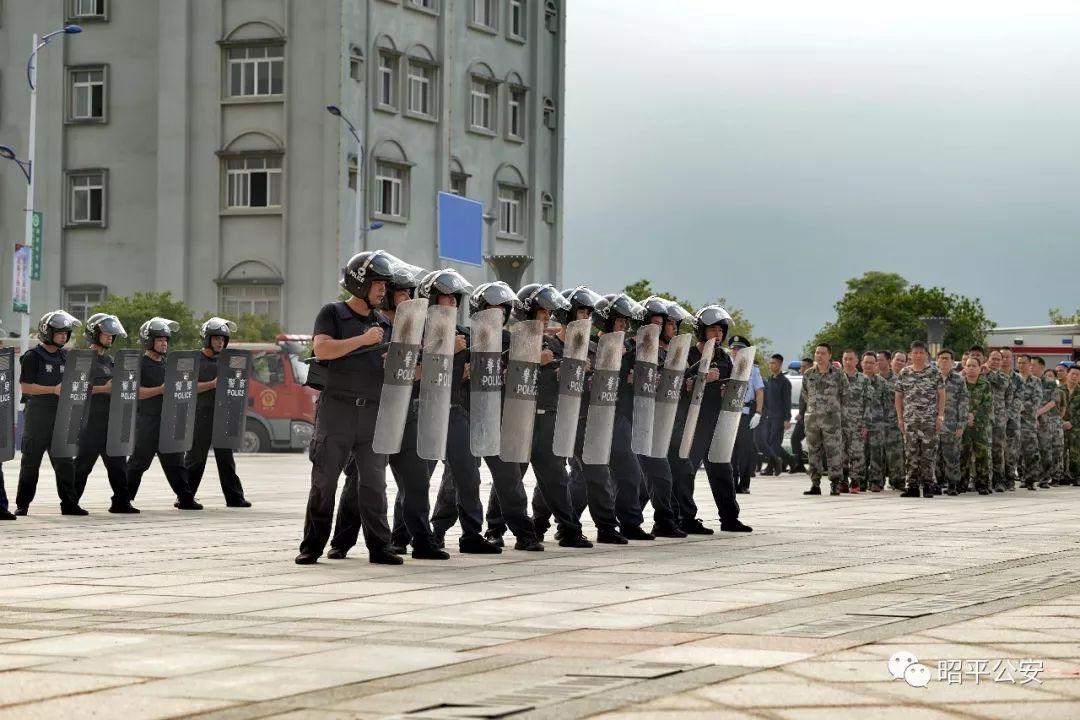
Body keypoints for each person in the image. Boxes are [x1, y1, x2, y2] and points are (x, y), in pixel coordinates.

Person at [328, 264, 454, 561]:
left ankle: (422, 541)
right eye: (402, 292)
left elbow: (416, 373)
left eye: (410, 291)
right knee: (359, 482)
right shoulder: (375, 328)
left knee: (416, 480)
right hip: (375, 414)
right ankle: (341, 541)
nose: (408, 296)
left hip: (406, 412)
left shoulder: (416, 330)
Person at [295, 250, 402, 565]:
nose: (383, 290)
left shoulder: (384, 323)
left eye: (385, 283)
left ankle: (380, 547)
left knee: (373, 484)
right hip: (337, 411)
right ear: (361, 284)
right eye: (378, 283)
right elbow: (323, 349)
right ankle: (312, 546)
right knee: (324, 481)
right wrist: (364, 340)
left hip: (371, 413)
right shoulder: (333, 313)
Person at [485, 282, 594, 548]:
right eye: (542, 313)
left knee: (556, 477)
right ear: (527, 312)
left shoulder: (550, 343)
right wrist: (534, 358)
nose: (547, 319)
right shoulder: (511, 342)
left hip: (546, 419)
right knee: (510, 478)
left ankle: (570, 530)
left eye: (548, 314)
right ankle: (494, 529)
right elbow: (500, 373)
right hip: (517, 418)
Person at [668, 305, 751, 532]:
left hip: (715, 421)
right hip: (691, 422)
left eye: (721, 330)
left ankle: (729, 518)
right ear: (701, 330)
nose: (718, 334)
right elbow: (679, 385)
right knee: (685, 472)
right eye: (713, 329)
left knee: (723, 471)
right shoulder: (688, 354)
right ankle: (684, 518)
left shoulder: (724, 357)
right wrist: (704, 378)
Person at [125, 317, 202, 510]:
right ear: (148, 340)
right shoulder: (139, 364)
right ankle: (122, 499)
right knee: (139, 462)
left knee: (176, 462)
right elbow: (135, 393)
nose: (164, 343)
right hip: (147, 420)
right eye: (160, 339)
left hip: (169, 419)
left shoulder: (169, 364)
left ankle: (185, 498)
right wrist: (159, 390)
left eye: (166, 340)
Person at [14, 311, 84, 516]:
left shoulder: (66, 356)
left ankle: (69, 504)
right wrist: (52, 390)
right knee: (30, 462)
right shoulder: (32, 357)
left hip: (61, 415)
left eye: (66, 333)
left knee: (64, 461)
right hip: (37, 416)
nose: (64, 336)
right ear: (47, 332)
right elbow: (26, 387)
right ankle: (23, 505)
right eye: (60, 332)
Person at [73, 313, 138, 514]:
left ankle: (121, 502)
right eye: (106, 333)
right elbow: (75, 388)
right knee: (83, 465)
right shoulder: (83, 359)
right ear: (95, 334)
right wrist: (104, 389)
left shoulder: (111, 360)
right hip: (90, 422)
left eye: (112, 334)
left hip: (112, 420)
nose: (110, 337)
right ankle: (70, 502)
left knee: (118, 464)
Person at [183, 317, 251, 508]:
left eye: (223, 339)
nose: (220, 342)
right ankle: (185, 497)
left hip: (223, 415)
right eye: (216, 338)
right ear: (206, 339)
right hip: (200, 414)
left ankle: (235, 498)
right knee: (195, 458)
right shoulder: (193, 360)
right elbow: (186, 387)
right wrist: (212, 384)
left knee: (226, 458)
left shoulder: (227, 360)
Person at [895, 341, 944, 498]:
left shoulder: (934, 373)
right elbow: (898, 396)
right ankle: (913, 486)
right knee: (911, 453)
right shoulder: (904, 373)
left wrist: (940, 416)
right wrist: (900, 418)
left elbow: (942, 395)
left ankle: (928, 484)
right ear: (910, 354)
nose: (917, 355)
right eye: (914, 352)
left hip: (929, 420)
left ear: (926, 354)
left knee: (928, 453)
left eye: (921, 352)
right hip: (910, 420)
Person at [802, 343, 846, 496]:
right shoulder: (808, 374)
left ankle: (835, 484)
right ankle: (815, 484)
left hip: (832, 422)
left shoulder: (838, 374)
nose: (819, 355)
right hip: (813, 421)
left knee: (834, 453)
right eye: (817, 353)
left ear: (829, 355)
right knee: (813, 453)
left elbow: (845, 395)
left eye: (822, 353)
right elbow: (805, 394)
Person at [729, 336, 763, 493]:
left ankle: (744, 483)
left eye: (739, 349)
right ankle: (732, 482)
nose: (735, 352)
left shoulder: (753, 369)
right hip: (728, 413)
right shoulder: (726, 365)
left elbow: (759, 391)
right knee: (730, 451)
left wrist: (758, 412)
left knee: (745, 450)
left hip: (746, 413)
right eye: (733, 349)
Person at [935, 349, 969, 495]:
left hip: (951, 424)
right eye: (942, 358)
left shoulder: (959, 380)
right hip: (933, 424)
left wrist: (961, 424)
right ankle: (936, 483)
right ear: (937, 361)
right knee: (934, 456)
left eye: (947, 358)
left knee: (952, 455)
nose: (944, 361)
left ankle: (952, 484)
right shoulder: (931, 377)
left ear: (953, 362)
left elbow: (964, 402)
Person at [961, 357, 993, 494]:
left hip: (980, 425)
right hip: (963, 425)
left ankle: (983, 484)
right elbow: (956, 402)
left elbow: (987, 405)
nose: (971, 368)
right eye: (969, 365)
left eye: (974, 366)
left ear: (980, 368)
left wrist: (973, 415)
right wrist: (965, 416)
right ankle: (961, 483)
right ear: (965, 367)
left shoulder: (985, 384)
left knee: (982, 454)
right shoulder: (959, 383)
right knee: (963, 454)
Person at [839, 348, 869, 493]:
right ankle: (843, 481)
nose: (848, 362)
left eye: (851, 359)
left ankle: (855, 481)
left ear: (857, 361)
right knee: (841, 453)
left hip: (857, 423)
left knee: (857, 453)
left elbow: (868, 403)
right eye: (845, 359)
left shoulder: (864, 380)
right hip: (840, 423)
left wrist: (865, 424)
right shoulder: (837, 378)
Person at [877, 350, 906, 490]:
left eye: (903, 360)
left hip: (894, 423)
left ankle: (898, 481)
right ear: (891, 361)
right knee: (877, 455)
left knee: (896, 454)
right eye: (897, 360)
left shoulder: (901, 381)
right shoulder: (872, 380)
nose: (899, 362)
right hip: (876, 423)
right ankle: (877, 482)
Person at [1033, 358, 1064, 487]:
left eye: (1033, 365)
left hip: (1047, 421)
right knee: (1029, 449)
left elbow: (1054, 402)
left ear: (1042, 367)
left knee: (1046, 449)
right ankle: (1028, 477)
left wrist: (1038, 413)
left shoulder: (1050, 383)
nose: (1030, 368)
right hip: (1029, 421)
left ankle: (1046, 478)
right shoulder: (1027, 381)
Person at [760, 353, 791, 477]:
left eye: (773, 363)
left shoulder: (784, 382)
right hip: (768, 416)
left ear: (779, 364)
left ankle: (770, 467)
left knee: (775, 443)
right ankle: (789, 461)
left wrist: (787, 419)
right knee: (767, 442)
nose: (770, 365)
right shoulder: (769, 379)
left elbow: (787, 402)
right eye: (770, 363)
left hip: (779, 417)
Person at [1015, 354, 1043, 490]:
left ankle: (1030, 479)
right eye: (1019, 363)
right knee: (1014, 451)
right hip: (1013, 420)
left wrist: (1022, 406)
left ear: (1029, 365)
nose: (1021, 365)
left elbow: (1037, 400)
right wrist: (1015, 406)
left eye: (1024, 363)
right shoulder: (1012, 379)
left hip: (1028, 422)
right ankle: (1019, 477)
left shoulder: (1035, 381)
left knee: (1030, 450)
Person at [984, 350, 1010, 492]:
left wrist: (988, 373)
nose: (995, 361)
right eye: (992, 359)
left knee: (998, 449)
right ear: (988, 359)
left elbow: (1002, 386)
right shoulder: (979, 373)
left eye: (998, 359)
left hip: (998, 417)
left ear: (1001, 362)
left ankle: (998, 480)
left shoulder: (1004, 377)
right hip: (982, 416)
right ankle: (980, 479)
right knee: (981, 449)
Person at [860, 351, 886, 492]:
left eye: (871, 362)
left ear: (876, 364)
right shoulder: (855, 380)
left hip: (877, 424)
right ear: (861, 363)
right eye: (866, 362)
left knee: (876, 454)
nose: (868, 365)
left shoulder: (881, 382)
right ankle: (860, 481)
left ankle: (876, 481)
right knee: (860, 454)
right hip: (859, 424)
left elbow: (887, 404)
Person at [788, 358, 811, 474]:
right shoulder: (804, 380)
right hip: (803, 418)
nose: (801, 369)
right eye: (801, 367)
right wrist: (800, 413)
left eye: (804, 367)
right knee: (795, 439)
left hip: (811, 417)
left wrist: (803, 413)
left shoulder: (812, 380)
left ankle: (821, 466)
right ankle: (799, 464)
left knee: (814, 443)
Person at [1062, 365, 1080, 485]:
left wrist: (1072, 422)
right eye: (1072, 373)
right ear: (1067, 374)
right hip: (1060, 426)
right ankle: (1062, 476)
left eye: (1077, 375)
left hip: (1077, 428)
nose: (1074, 376)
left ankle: (1077, 476)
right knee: (1060, 452)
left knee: (1076, 453)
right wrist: (1061, 422)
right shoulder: (1059, 390)